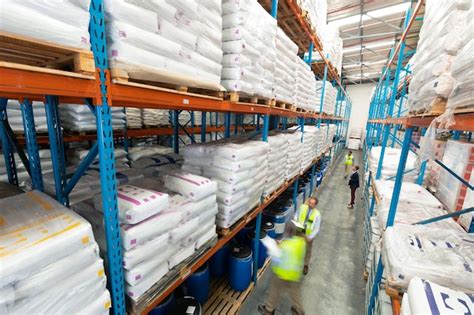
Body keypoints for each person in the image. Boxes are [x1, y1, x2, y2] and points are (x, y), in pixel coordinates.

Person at [258, 221, 307, 315]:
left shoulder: (284, 247)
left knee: (275, 290)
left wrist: (273, 248)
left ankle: (269, 310)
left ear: (286, 232)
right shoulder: (300, 242)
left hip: (282, 274)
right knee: (295, 293)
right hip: (295, 274)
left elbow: (276, 259)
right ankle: (299, 311)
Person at [296, 197, 321, 275]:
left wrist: (311, 237)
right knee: (297, 247)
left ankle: (306, 265)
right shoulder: (302, 207)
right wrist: (296, 221)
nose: (310, 205)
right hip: (299, 230)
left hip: (308, 234)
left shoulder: (317, 214)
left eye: (312, 204)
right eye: (309, 203)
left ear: (315, 205)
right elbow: (296, 215)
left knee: (308, 250)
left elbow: (317, 228)